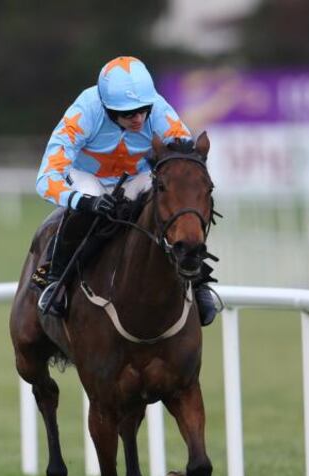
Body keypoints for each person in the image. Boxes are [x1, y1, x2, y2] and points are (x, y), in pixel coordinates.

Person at [32, 56, 218, 325]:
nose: (139, 119)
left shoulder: (160, 111)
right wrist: (85, 203)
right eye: (129, 113)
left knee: (174, 201)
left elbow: (184, 164)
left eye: (143, 110)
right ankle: (55, 278)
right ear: (108, 109)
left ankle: (198, 279)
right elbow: (46, 177)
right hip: (86, 176)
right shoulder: (84, 112)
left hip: (134, 177)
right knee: (91, 199)